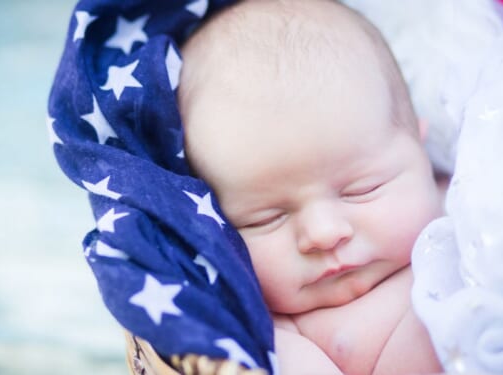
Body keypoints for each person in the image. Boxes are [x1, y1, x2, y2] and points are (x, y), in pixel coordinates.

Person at [177, 0, 447, 374]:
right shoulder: (279, 332)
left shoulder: (468, 212)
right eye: (265, 218)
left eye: (362, 189)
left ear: (421, 147)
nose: (324, 233)